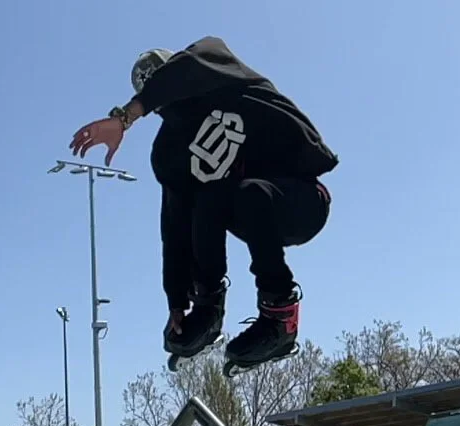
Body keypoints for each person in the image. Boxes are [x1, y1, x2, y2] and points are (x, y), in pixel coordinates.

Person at [69, 36, 337, 373]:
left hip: (301, 200)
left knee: (248, 192)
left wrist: (126, 116)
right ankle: (209, 308)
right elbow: (173, 226)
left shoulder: (220, 70)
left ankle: (280, 314)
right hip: (250, 212)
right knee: (205, 198)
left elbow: (189, 68)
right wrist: (177, 301)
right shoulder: (169, 151)